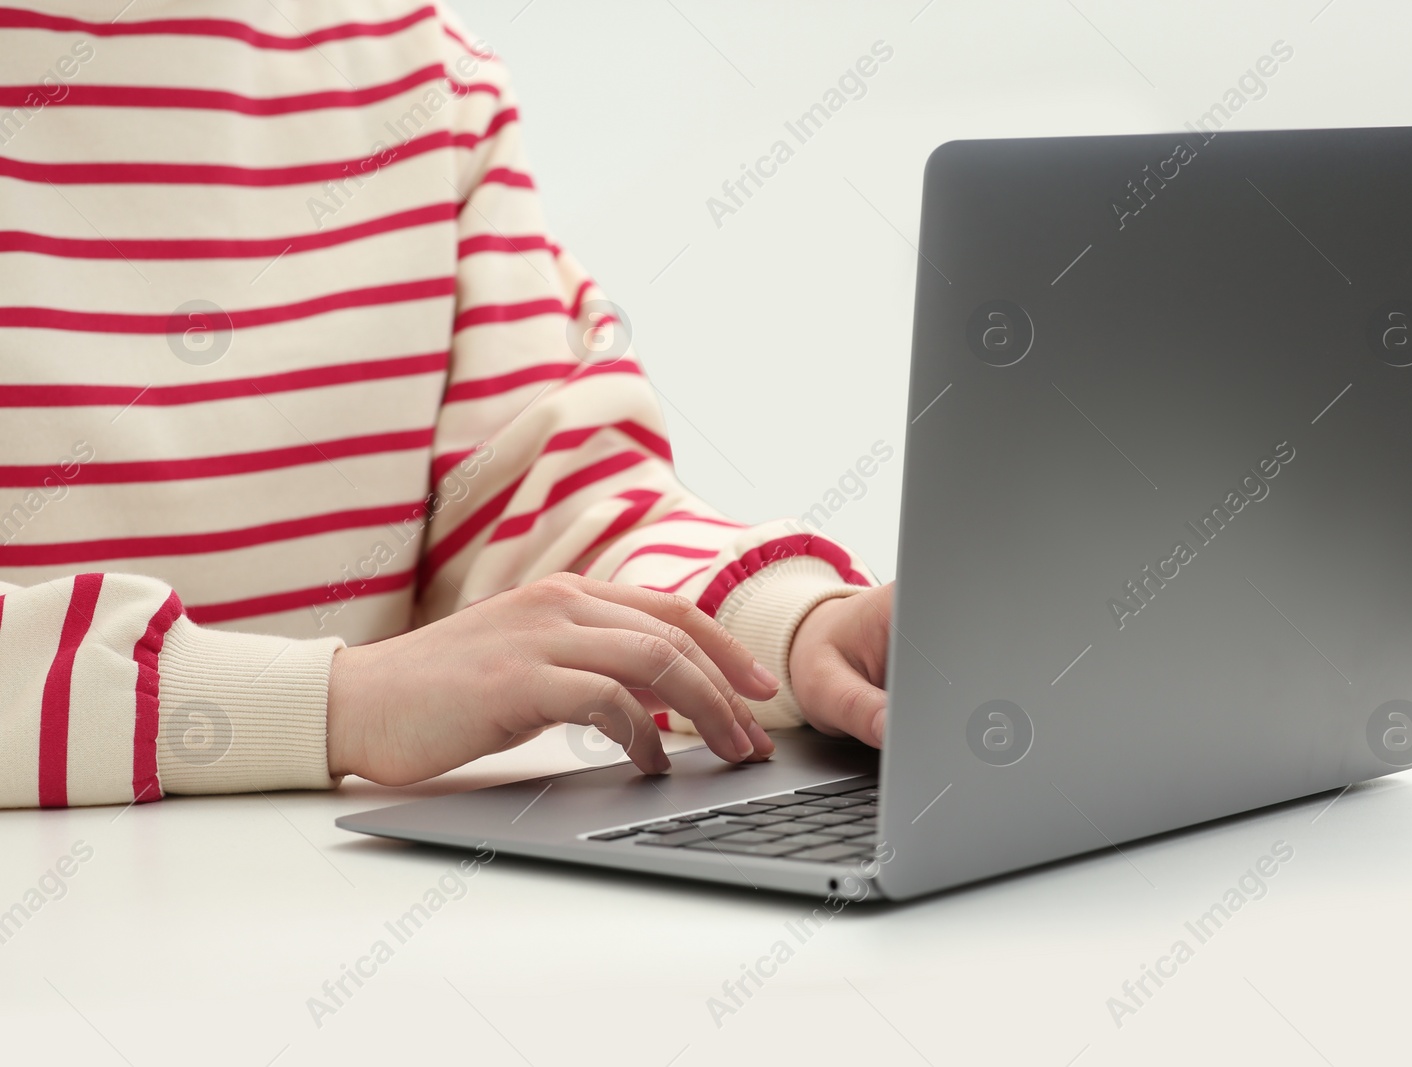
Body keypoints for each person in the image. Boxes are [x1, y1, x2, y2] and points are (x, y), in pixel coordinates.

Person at [0, 1, 893, 808]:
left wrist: (792, 631)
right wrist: (339, 703)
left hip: (322, 907)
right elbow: (377, 694)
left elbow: (543, 504)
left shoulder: (425, 72)